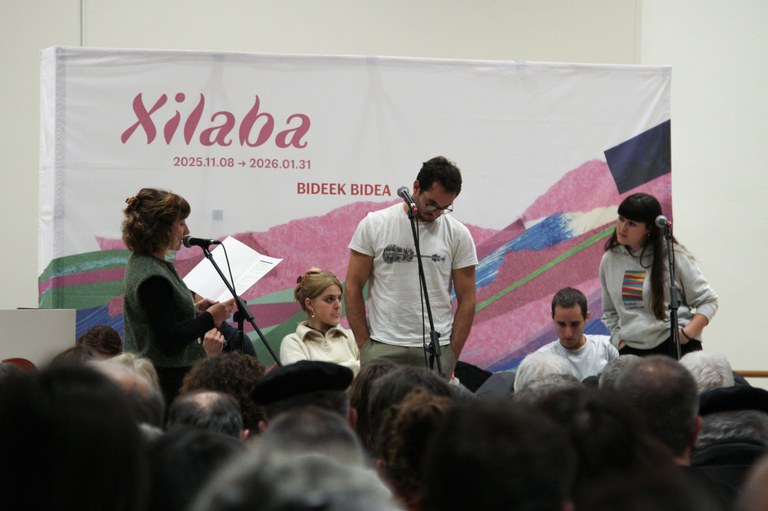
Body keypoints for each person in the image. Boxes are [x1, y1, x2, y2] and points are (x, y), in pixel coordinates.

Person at [345, 156, 477, 377]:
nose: (435, 213)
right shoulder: (375, 224)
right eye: (431, 203)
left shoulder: (458, 235)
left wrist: (451, 355)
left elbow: (468, 299)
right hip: (382, 346)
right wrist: (365, 346)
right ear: (416, 187)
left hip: (436, 349)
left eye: (444, 208)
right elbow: (352, 286)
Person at [121, 187, 235, 405]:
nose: (187, 230)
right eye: (181, 223)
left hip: (159, 376)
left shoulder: (146, 263)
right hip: (165, 381)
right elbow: (170, 340)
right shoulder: (153, 276)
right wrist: (210, 317)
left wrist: (196, 309)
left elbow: (161, 315)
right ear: (161, 229)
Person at [599, 192, 718, 357]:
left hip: (675, 345)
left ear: (648, 228)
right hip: (632, 351)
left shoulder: (673, 255)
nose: (622, 227)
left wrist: (687, 334)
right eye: (621, 219)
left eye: (632, 223)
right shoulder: (610, 259)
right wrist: (619, 341)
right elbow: (610, 313)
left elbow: (708, 301)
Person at [280, 268, 360, 375]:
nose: (338, 305)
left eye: (339, 298)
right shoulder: (293, 342)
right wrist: (355, 366)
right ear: (309, 304)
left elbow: (369, 375)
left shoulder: (352, 337)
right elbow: (304, 380)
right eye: (329, 299)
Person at [536, 287, 619, 381]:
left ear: (586, 317)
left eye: (575, 324)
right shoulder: (541, 360)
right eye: (561, 324)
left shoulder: (608, 347)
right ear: (553, 318)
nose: (568, 334)